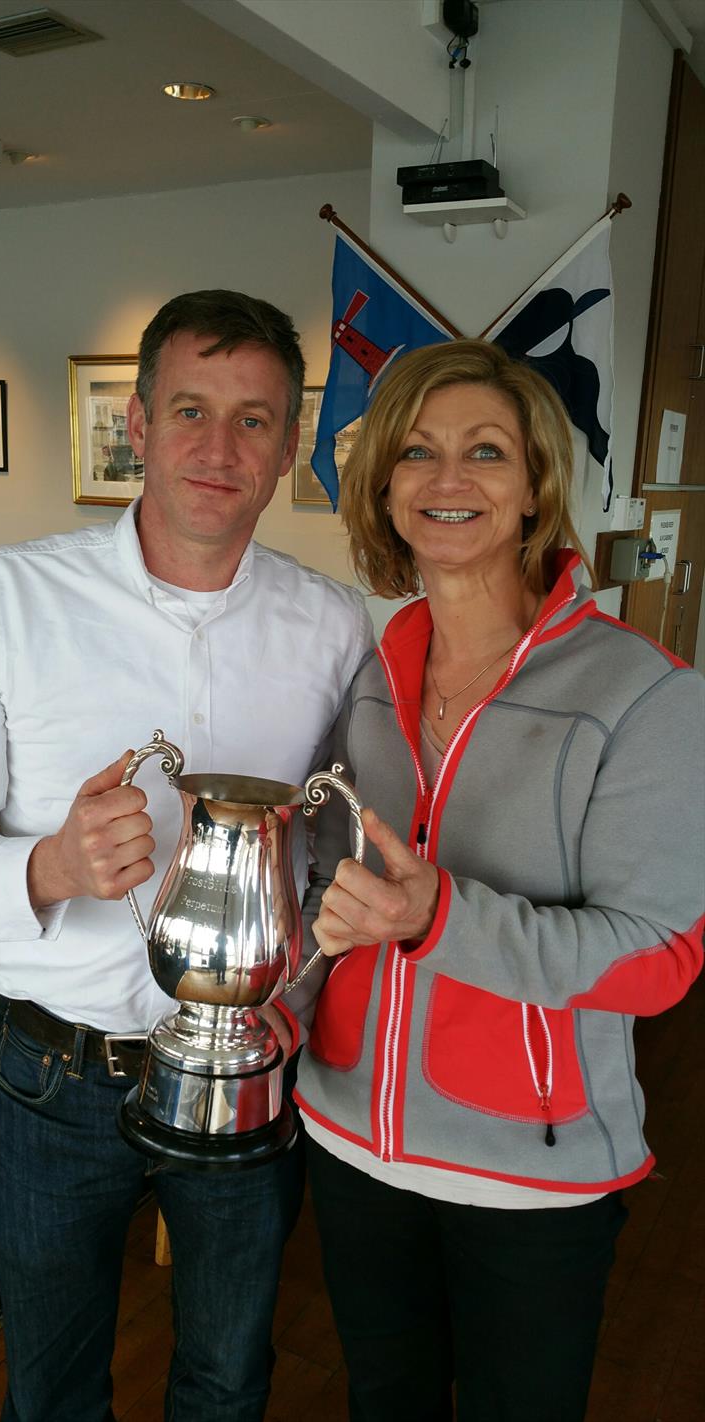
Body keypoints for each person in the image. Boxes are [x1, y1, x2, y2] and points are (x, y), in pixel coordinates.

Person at [0, 289, 373, 1422]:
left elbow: (330, 852)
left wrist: (300, 990)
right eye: (192, 410)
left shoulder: (335, 625)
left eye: (255, 420)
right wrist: (50, 868)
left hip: (248, 1074)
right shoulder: (6, 598)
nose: (219, 448)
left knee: (225, 1373)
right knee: (52, 1379)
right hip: (55, 1076)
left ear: (288, 444)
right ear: (140, 420)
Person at [286, 339, 705, 1422]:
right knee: (384, 1400)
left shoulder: (644, 694)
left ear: (532, 491)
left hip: (527, 1169)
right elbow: (329, 882)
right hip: (346, 1139)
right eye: (416, 453)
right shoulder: (370, 675)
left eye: (484, 452)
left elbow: (656, 958)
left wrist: (438, 920)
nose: (446, 479)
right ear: (382, 489)